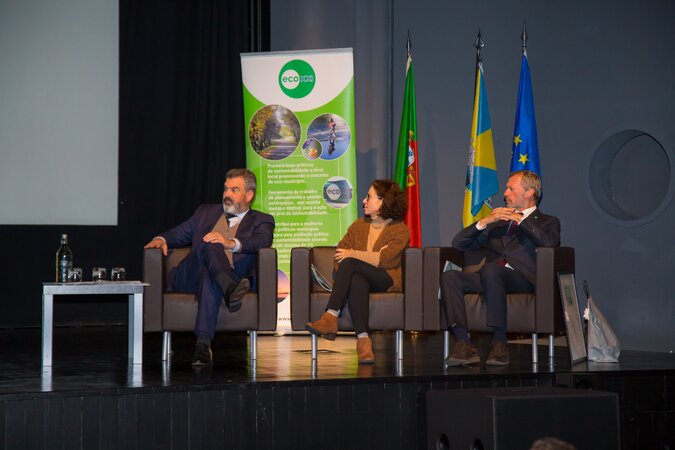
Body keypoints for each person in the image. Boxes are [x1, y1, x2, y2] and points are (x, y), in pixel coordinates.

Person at [144, 168, 274, 366]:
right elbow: (179, 233)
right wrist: (161, 239)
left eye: (234, 190)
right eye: (226, 189)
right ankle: (227, 287)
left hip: (224, 275)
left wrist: (230, 243)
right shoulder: (205, 212)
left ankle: (203, 345)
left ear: (249, 195)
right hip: (189, 276)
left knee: (210, 274)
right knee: (210, 241)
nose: (227, 194)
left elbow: (262, 240)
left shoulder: (262, 220)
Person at [440, 170, 560, 366]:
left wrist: (520, 219)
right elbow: (458, 245)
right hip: (490, 277)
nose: (505, 193)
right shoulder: (498, 224)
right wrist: (484, 222)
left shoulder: (548, 222)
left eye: (511, 189)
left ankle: (499, 342)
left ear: (529, 192)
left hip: (521, 280)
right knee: (450, 277)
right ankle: (463, 342)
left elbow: (549, 242)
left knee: (492, 270)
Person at [305, 179, 409, 364]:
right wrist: (355, 259)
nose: (363, 201)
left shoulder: (400, 230)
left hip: (386, 278)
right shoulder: (358, 226)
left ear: (383, 201)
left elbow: (386, 259)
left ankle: (331, 316)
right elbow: (339, 256)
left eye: (369, 197)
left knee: (351, 262)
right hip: (360, 277)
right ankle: (363, 340)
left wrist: (353, 254)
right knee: (357, 280)